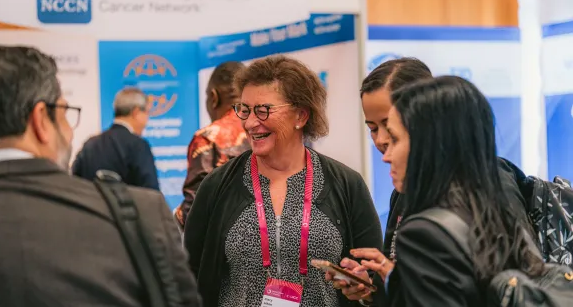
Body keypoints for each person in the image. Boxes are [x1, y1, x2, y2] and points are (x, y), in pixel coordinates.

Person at [0, 46, 201, 306]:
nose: (70, 131)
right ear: (40, 120)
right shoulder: (145, 214)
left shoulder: (91, 144)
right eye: (64, 113)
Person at [183, 55, 383, 307]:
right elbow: (190, 274)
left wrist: (364, 286)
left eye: (263, 110)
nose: (250, 122)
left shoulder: (346, 184)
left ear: (300, 115)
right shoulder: (217, 186)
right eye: (244, 110)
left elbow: (375, 278)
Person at [327, 58, 529, 306]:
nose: (382, 144)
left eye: (393, 132)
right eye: (372, 128)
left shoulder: (491, 184)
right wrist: (381, 285)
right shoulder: (407, 190)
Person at [174, 61, 250, 229]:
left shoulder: (209, 138)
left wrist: (175, 219)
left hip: (224, 245)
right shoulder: (265, 130)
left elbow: (195, 209)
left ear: (214, 98)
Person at [72, 87, 159, 190]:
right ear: (136, 112)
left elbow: (75, 182)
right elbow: (150, 193)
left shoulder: (89, 145)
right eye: (147, 113)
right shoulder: (138, 146)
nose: (147, 120)